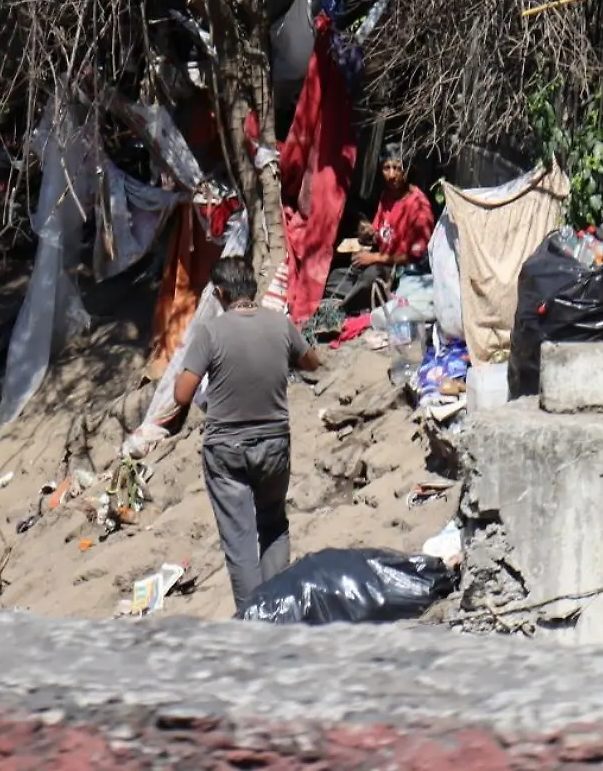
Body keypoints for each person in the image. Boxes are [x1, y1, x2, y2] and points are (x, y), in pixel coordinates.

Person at [170, 257, 323, 611]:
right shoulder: (280, 325)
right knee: (274, 524)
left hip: (226, 451)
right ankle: (279, 609)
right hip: (273, 444)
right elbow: (312, 362)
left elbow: (181, 395)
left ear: (221, 293)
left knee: (239, 542)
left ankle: (254, 621)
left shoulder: (210, 332)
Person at [328, 144, 435, 310]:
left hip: (401, 271)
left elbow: (413, 257)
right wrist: (368, 233)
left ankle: (347, 307)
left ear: (407, 170)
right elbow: (379, 232)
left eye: (397, 168)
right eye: (386, 168)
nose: (391, 175)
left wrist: (374, 258)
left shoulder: (419, 207)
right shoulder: (387, 195)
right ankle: (358, 300)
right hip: (380, 261)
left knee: (369, 278)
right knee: (335, 277)